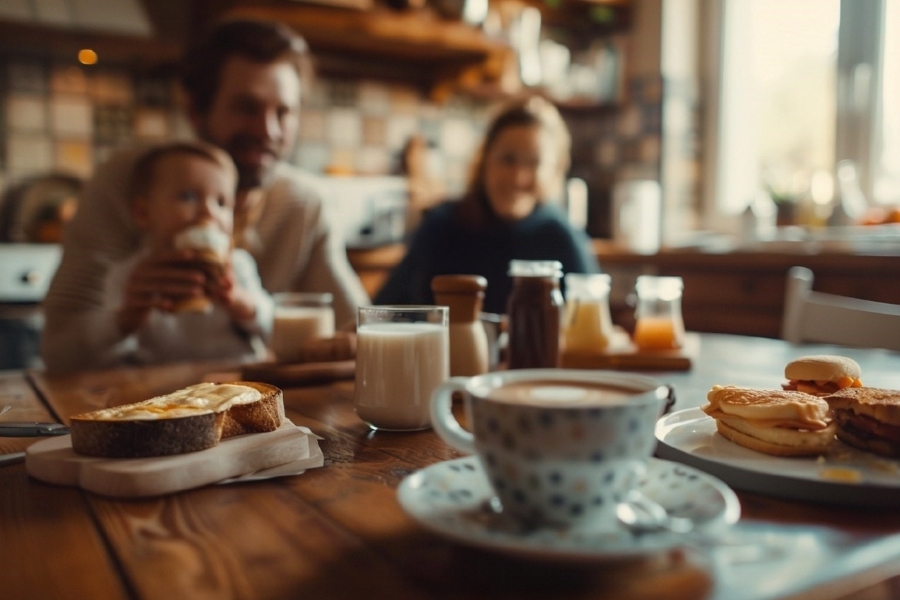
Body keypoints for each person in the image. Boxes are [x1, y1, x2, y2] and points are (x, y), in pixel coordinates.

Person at [41, 19, 370, 374]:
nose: (268, 131)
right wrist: (124, 315)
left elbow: (361, 331)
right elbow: (58, 353)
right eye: (247, 107)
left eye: (283, 112)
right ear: (196, 110)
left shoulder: (303, 204)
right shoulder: (130, 180)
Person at [374, 96, 599, 314]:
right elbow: (384, 310)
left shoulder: (562, 238)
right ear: (485, 160)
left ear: (554, 171)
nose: (518, 177)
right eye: (508, 159)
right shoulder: (441, 227)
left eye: (534, 163)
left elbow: (592, 330)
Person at [99, 141, 271, 367]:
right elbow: (104, 354)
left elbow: (270, 328)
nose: (208, 211)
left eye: (221, 202)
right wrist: (126, 319)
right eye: (188, 197)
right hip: (158, 386)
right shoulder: (130, 277)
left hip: (235, 377)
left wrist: (242, 304)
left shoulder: (237, 266)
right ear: (143, 212)